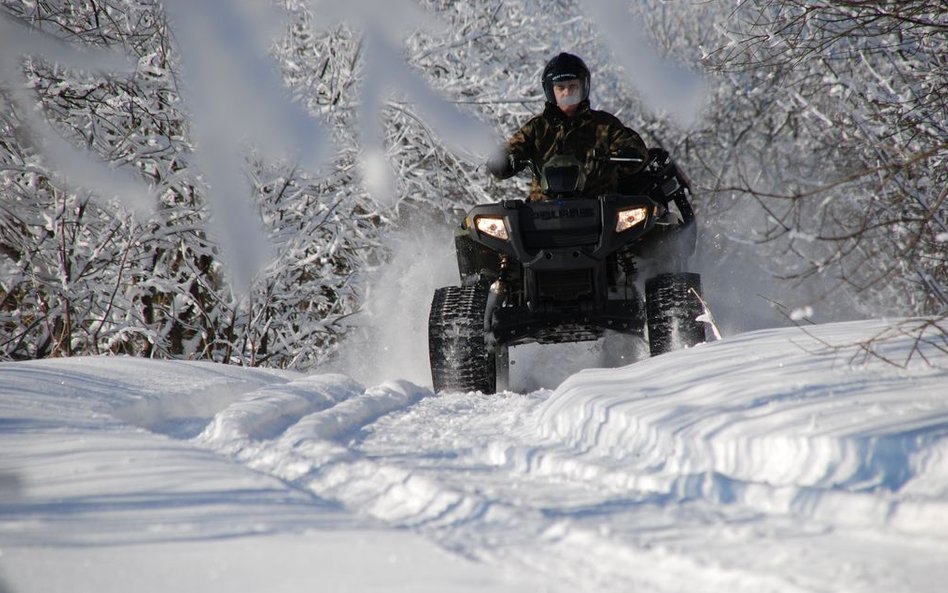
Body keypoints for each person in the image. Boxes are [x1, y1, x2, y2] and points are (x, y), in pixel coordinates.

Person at [487, 52, 649, 201]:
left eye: (573, 86)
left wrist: (628, 154)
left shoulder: (605, 124)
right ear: (551, 90)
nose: (567, 92)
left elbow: (634, 150)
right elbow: (510, 150)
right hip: (543, 213)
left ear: (583, 87)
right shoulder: (537, 128)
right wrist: (503, 161)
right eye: (561, 87)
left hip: (600, 209)